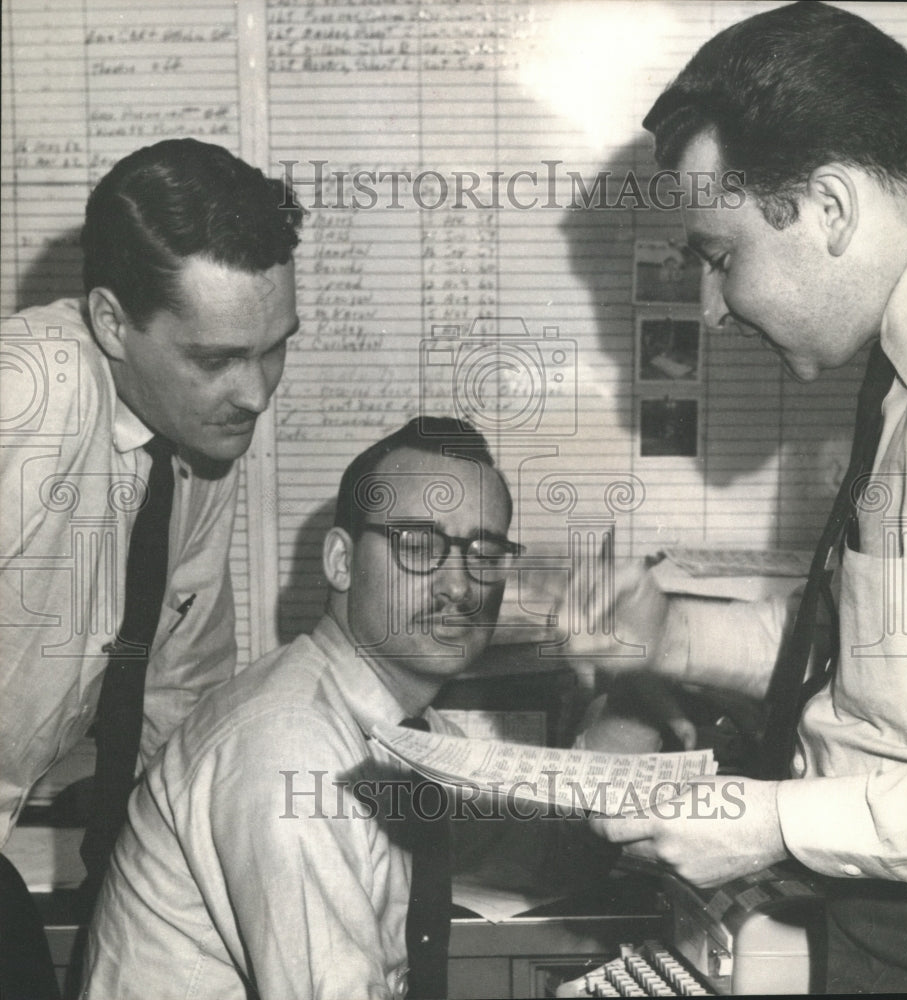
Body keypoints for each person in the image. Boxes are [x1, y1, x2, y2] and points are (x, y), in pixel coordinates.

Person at [577, 2, 907, 992]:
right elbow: (890, 654)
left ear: (829, 208)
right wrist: (669, 639)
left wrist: (769, 822)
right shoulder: (904, 368)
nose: (713, 307)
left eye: (720, 256)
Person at [81, 416, 525, 999]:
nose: (461, 586)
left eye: (485, 553)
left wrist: (631, 710)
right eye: (419, 546)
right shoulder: (292, 743)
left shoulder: (409, 731)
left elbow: (535, 858)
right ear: (340, 562)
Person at [0, 137, 302, 922]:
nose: (255, 394)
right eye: (216, 358)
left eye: (275, 350)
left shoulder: (194, 445)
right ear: (110, 321)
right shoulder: (32, 392)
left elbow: (178, 690)